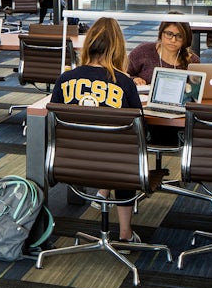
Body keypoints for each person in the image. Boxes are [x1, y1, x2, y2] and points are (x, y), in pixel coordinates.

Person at [48, 17, 143, 242]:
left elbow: (53, 122)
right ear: (119, 47)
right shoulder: (124, 83)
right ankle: (125, 233)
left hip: (70, 163)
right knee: (126, 156)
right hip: (117, 168)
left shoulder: (64, 79)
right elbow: (139, 130)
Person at [127, 19, 200, 85]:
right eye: (169, 34)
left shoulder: (192, 61)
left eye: (179, 36)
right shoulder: (143, 51)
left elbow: (196, 91)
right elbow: (121, 74)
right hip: (144, 99)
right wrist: (134, 79)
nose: (173, 40)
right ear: (161, 33)